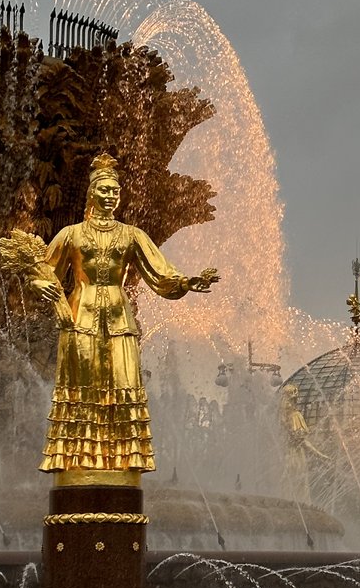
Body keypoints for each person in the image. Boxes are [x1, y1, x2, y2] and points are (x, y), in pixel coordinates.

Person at [28, 153, 218, 476]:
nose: (110, 196)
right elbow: (45, 270)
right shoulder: (72, 234)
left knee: (123, 381)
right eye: (104, 190)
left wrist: (187, 282)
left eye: (115, 191)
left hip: (119, 319)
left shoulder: (131, 235)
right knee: (82, 385)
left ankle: (125, 457)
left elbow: (160, 272)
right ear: (92, 193)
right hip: (80, 317)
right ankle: (76, 457)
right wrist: (39, 283)